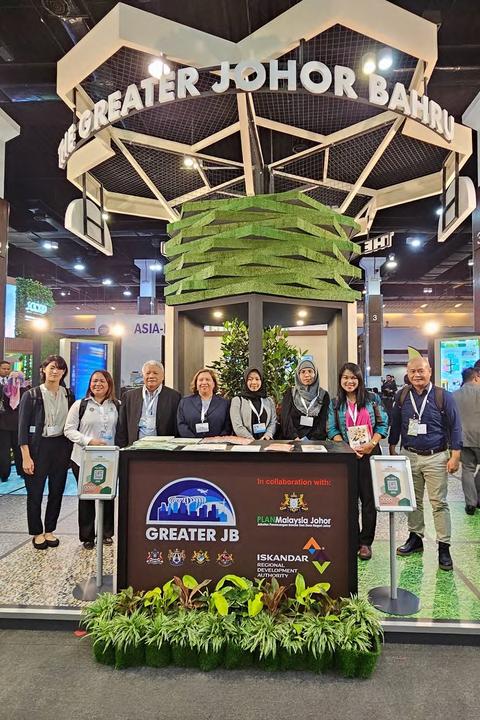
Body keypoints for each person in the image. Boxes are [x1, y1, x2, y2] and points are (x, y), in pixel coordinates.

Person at [388, 356, 462, 571]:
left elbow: (455, 426)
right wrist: (392, 447)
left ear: (429, 371)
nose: (417, 375)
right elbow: (396, 423)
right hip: (409, 455)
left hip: (436, 456)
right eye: (412, 371)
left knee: (439, 503)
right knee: (412, 500)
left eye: (421, 370)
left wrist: (455, 455)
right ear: (407, 374)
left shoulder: (443, 396)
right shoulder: (401, 395)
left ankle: (444, 547)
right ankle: (415, 537)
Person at [327, 362, 388, 561]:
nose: (349, 381)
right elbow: (332, 429)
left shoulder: (372, 399)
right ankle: (352, 540)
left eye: (353, 377)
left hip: (370, 453)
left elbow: (382, 424)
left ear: (359, 379)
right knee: (349, 501)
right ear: (340, 380)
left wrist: (371, 444)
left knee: (369, 500)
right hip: (347, 456)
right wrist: (347, 448)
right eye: (345, 377)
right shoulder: (336, 403)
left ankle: (365, 542)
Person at [18, 355, 74, 550]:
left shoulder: (68, 394)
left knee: (57, 491)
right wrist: (26, 456)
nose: (55, 371)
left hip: (61, 446)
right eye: (51, 367)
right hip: (37, 448)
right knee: (35, 492)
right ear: (43, 369)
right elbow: (22, 428)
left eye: (59, 368)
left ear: (64, 372)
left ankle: (50, 529)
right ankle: (36, 532)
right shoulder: (32, 395)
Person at [64, 370, 120, 549]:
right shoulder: (80, 405)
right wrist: (89, 441)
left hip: (109, 459)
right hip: (83, 458)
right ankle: (87, 536)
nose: (98, 384)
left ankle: (106, 533)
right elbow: (69, 430)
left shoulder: (117, 405)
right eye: (94, 381)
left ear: (109, 384)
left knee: (107, 496)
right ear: (90, 384)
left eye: (102, 381)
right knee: (86, 497)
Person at [116, 360, 180, 447]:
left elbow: (177, 426)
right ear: (143, 376)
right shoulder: (129, 396)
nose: (151, 376)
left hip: (163, 448)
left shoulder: (174, 396)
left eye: (155, 373)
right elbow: (122, 426)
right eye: (148, 373)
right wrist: (123, 448)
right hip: (135, 447)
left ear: (163, 376)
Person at [452, 366, 480, 515]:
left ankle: (470, 502)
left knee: (468, 469)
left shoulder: (454, 395)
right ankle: (477, 495)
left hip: (463, 438)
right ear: (476, 377)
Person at [281, 358, 329, 441]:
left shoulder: (323, 395)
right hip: (292, 440)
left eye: (310, 371)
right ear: (298, 375)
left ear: (315, 374)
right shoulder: (290, 393)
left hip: (315, 442)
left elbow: (323, 422)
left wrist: (310, 440)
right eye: (303, 372)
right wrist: (295, 437)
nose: (307, 375)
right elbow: (286, 419)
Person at [177, 368, 230, 438]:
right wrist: (194, 441)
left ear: (214, 384)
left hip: (217, 443)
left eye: (208, 379)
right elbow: (181, 425)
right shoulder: (185, 402)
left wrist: (217, 440)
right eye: (201, 380)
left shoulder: (224, 403)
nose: (204, 382)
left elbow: (227, 426)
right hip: (191, 443)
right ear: (196, 384)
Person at [230, 367, 277, 440]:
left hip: (265, 442)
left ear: (261, 381)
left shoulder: (269, 400)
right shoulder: (237, 400)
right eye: (250, 379)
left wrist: (267, 436)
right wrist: (252, 440)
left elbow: (273, 422)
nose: (254, 382)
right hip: (245, 443)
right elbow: (237, 425)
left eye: (257, 379)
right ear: (245, 381)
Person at [0, 371, 26, 481]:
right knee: (19, 448)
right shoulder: (26, 391)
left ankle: (4, 474)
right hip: (19, 424)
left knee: (4, 450)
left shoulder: (4, 389)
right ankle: (22, 471)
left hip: (4, 424)